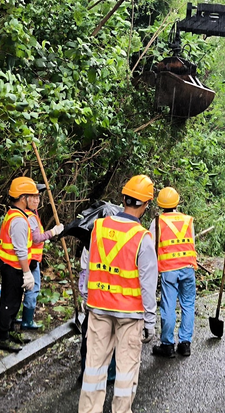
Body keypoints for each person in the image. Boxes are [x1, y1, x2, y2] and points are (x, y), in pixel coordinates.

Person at [79, 175, 158, 413]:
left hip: (99, 308)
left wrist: (85, 297)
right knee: (126, 370)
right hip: (130, 314)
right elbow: (148, 284)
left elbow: (89, 266)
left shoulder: (98, 228)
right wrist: (150, 320)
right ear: (145, 205)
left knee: (94, 366)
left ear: (123, 198)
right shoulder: (143, 238)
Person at [0, 177, 64, 352]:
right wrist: (27, 273)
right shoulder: (18, 220)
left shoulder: (20, 216)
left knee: (14, 302)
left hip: (13, 267)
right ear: (22, 198)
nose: (35, 199)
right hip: (12, 268)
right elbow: (20, 250)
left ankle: (10, 331)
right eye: (31, 196)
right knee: (8, 304)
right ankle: (3, 337)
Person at [150, 187, 197, 358]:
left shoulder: (157, 222)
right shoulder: (188, 220)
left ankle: (167, 345)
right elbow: (191, 242)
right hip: (188, 268)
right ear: (177, 202)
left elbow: (151, 247)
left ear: (160, 204)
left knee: (168, 306)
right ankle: (185, 344)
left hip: (169, 269)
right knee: (188, 305)